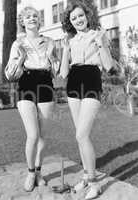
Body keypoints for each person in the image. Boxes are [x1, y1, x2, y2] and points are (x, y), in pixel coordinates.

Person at [60, 1, 113, 199]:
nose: (78, 20)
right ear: (70, 22)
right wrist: (65, 50)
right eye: (73, 18)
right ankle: (85, 175)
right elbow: (64, 73)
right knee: (79, 136)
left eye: (80, 16)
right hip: (73, 84)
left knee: (82, 135)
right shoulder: (70, 41)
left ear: (87, 15)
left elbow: (108, 66)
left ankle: (94, 183)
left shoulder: (98, 34)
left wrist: (100, 42)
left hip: (92, 81)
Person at [6, 6, 59, 192]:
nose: (32, 19)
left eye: (35, 16)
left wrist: (54, 61)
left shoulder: (51, 41)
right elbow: (9, 75)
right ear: (22, 21)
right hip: (26, 83)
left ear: (39, 20)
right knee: (33, 135)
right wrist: (20, 59)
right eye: (28, 17)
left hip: (45, 83)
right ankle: (30, 173)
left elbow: (56, 72)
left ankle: (38, 172)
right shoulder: (17, 44)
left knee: (43, 136)